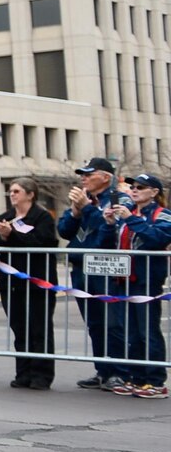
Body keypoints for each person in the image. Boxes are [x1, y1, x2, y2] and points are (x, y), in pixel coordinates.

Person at [0, 178, 59, 390]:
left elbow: (43, 242)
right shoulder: (5, 218)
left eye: (17, 191)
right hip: (11, 283)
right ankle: (23, 373)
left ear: (30, 194)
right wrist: (5, 238)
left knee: (39, 328)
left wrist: (12, 236)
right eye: (10, 191)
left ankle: (41, 376)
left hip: (37, 283)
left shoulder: (42, 217)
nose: (12, 194)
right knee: (19, 328)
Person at [59, 157, 125, 391]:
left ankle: (119, 372)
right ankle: (102, 370)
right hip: (81, 268)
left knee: (113, 323)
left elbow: (110, 226)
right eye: (82, 174)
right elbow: (64, 231)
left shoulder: (117, 197)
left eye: (89, 174)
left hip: (105, 268)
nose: (83, 178)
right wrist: (75, 211)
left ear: (105, 177)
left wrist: (86, 208)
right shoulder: (82, 199)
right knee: (95, 323)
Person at [107, 175, 170, 398]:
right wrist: (110, 223)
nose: (134, 190)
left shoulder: (162, 214)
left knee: (148, 331)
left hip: (146, 280)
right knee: (131, 332)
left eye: (140, 187)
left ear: (153, 192)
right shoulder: (127, 213)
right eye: (132, 187)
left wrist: (131, 220)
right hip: (123, 280)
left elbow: (157, 238)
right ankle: (136, 378)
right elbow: (112, 242)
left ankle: (155, 381)